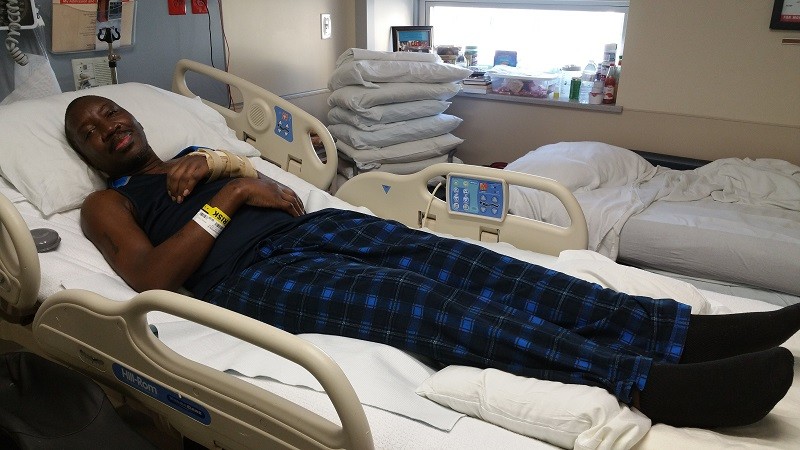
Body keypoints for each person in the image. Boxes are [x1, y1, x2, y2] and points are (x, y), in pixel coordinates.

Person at [64, 95, 798, 429]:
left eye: (109, 112)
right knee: (430, 306)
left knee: (480, 267)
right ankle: (646, 384)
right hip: (256, 279)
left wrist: (248, 178)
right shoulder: (112, 201)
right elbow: (153, 277)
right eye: (90, 130)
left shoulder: (199, 158)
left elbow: (283, 195)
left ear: (134, 119)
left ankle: (673, 332)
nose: (107, 126)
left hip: (317, 232)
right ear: (91, 153)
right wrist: (231, 199)